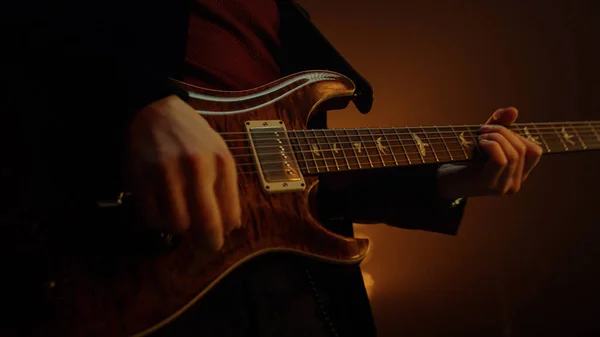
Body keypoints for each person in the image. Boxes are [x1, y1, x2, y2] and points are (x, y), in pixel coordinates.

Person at [2, 0, 543, 336]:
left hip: (293, 284)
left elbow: (302, 170)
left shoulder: (284, 17)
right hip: (124, 250)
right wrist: (138, 100)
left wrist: (452, 180)